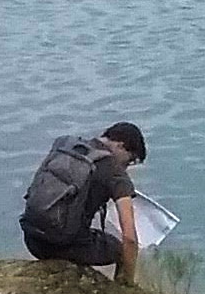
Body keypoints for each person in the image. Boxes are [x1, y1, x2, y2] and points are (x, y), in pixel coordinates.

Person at [18, 121, 150, 283]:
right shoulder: (115, 174)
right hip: (57, 246)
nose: (126, 168)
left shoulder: (67, 145)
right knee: (121, 250)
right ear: (121, 146)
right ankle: (123, 291)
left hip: (32, 238)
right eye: (129, 161)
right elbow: (129, 239)